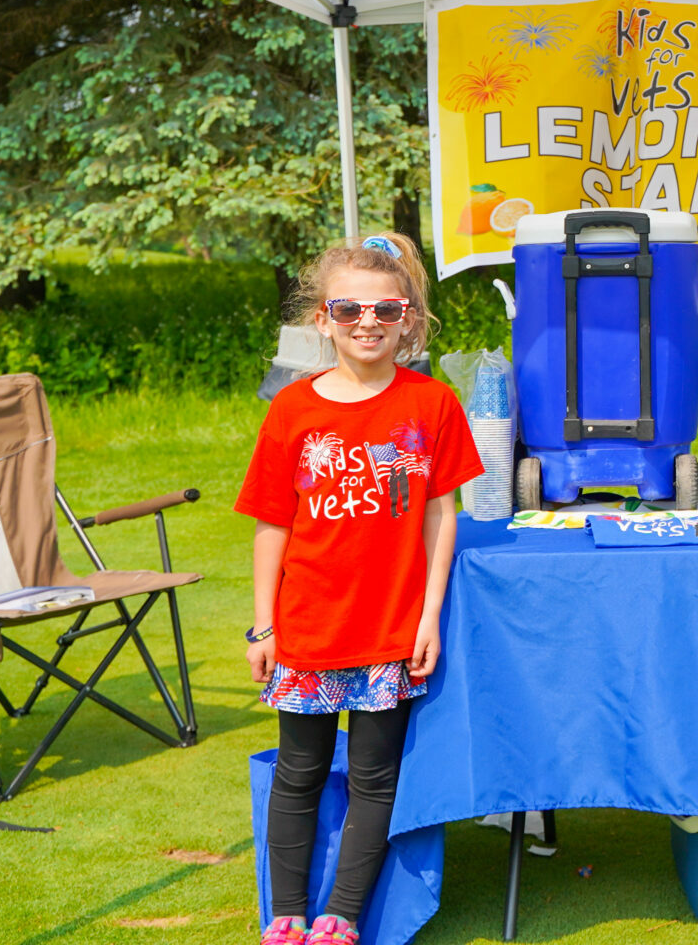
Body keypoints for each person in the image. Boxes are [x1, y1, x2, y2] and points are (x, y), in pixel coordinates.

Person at [238, 233, 481, 945]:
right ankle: (286, 915)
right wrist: (263, 626)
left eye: (384, 308)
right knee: (299, 772)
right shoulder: (291, 411)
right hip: (307, 628)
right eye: (349, 309)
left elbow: (444, 515)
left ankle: (341, 916)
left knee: (376, 779)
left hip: (390, 630)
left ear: (407, 317)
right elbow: (272, 528)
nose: (366, 322)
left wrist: (429, 614)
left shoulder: (431, 405)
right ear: (322, 320)